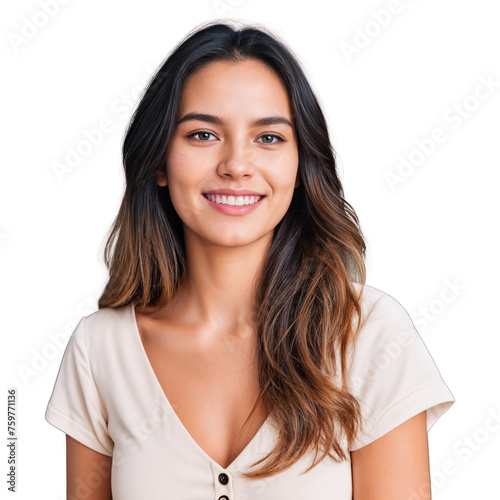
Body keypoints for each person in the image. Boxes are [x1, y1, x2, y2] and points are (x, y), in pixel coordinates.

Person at [45, 19, 455, 499]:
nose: (236, 165)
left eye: (269, 138)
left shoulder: (368, 334)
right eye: (202, 135)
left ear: (301, 167)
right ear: (159, 160)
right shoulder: (100, 349)